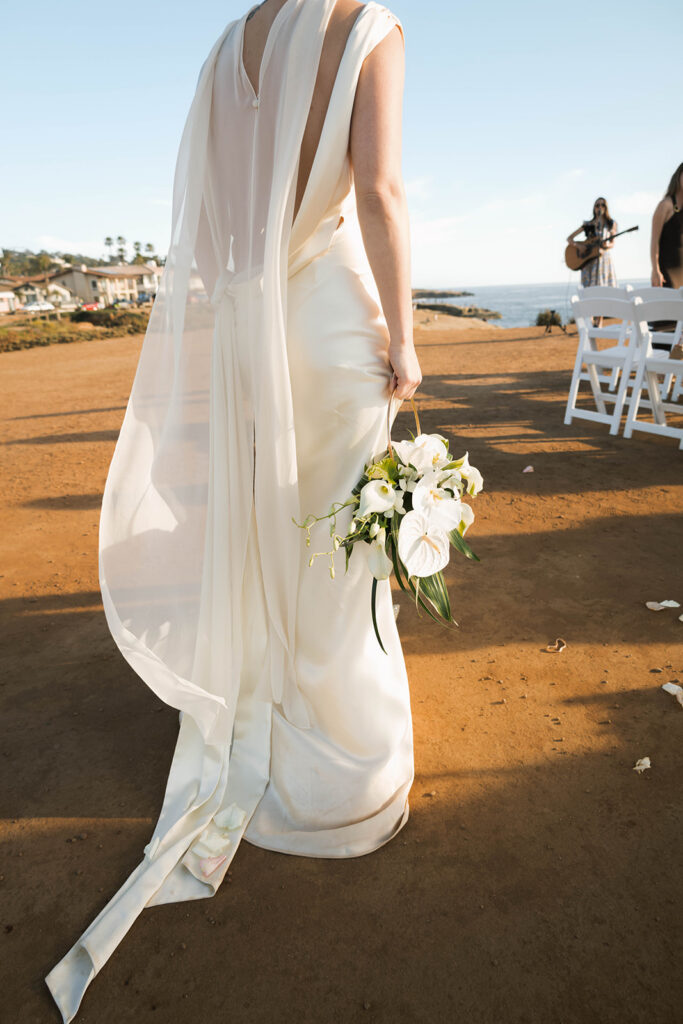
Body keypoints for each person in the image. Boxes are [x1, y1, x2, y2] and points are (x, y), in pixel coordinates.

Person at [45, 2, 420, 1020]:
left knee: (270, 535)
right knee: (335, 547)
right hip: (331, 320)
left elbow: (211, 222)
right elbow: (378, 191)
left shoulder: (225, 51)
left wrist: (251, 306)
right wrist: (406, 338)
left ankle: (273, 728)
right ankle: (338, 763)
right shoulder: (369, 26)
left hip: (255, 330)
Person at [567, 197, 618, 289]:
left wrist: (607, 245)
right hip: (589, 260)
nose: (600, 207)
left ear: (606, 208)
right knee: (589, 289)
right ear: (594, 208)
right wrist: (579, 246)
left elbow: (612, 243)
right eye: (597, 205)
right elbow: (569, 238)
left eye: (603, 205)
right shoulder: (588, 225)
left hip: (604, 259)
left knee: (606, 289)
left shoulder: (611, 224)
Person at [650, 161, 683, 289]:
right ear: (678, 177)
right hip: (667, 271)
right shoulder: (665, 205)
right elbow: (654, 242)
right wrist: (655, 270)